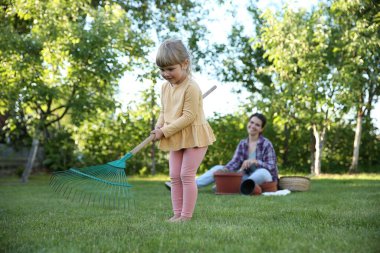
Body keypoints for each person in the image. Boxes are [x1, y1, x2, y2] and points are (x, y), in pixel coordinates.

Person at [151, 38, 216, 222]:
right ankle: (176, 214)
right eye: (162, 70)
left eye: (170, 69)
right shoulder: (165, 87)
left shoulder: (192, 87)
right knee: (174, 176)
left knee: (186, 175)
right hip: (175, 135)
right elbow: (165, 111)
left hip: (194, 135)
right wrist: (158, 126)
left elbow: (187, 118)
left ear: (184, 64)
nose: (166, 74)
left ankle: (186, 217)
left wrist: (164, 132)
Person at [165, 113, 278, 194]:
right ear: (248, 123)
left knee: (262, 172)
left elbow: (271, 167)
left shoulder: (266, 144)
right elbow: (234, 163)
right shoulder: (243, 144)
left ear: (261, 129)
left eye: (257, 125)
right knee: (218, 168)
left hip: (264, 177)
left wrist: (256, 162)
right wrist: (224, 170)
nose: (253, 126)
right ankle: (186, 186)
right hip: (245, 176)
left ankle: (227, 187)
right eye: (251, 122)